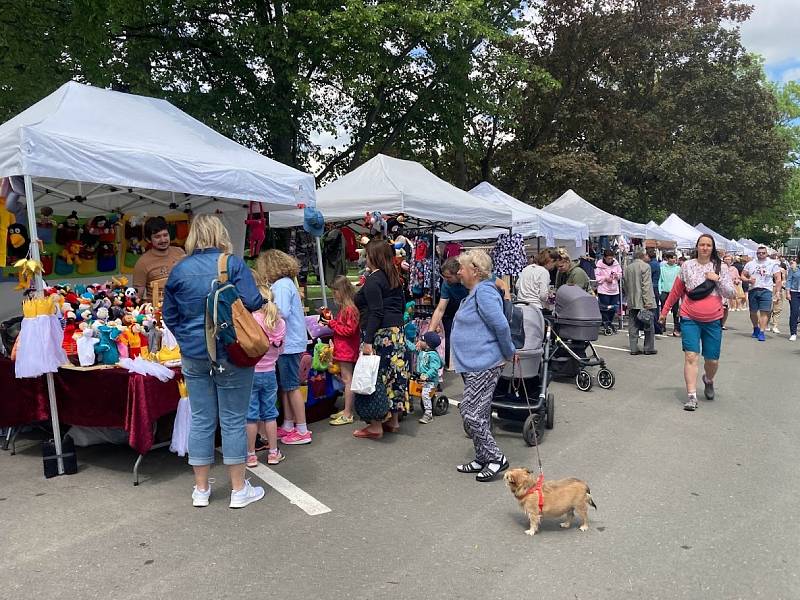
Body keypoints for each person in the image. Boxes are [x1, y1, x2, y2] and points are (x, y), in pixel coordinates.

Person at [162, 214, 265, 509]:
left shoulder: (179, 269)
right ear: (220, 233)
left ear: (194, 236)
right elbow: (254, 301)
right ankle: (237, 490)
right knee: (233, 420)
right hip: (229, 350)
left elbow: (169, 315)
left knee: (202, 420)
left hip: (194, 355)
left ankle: (201, 490)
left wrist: (187, 338)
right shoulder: (231, 264)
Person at [452, 250, 515, 483]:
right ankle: (482, 457)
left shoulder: (485, 292)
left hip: (484, 363)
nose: (459, 272)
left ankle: (496, 457)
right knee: (479, 412)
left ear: (475, 271)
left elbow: (501, 325)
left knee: (470, 412)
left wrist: (509, 352)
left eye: (462, 267)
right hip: (474, 363)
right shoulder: (476, 292)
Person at [659, 234, 736, 411]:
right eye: (702, 245)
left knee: (712, 360)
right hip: (689, 318)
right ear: (697, 247)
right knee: (691, 356)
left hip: (713, 320)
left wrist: (717, 279)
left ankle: (708, 380)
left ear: (712, 248)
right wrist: (664, 313)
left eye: (708, 245)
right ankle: (692, 396)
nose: (705, 248)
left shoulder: (720, 267)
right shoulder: (687, 266)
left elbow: (731, 293)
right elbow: (675, 291)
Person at [352, 239, 409, 439]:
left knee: (376, 377)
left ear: (374, 257)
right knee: (395, 376)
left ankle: (375, 426)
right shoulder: (394, 276)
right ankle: (393, 421)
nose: (365, 258)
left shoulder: (374, 280)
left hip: (380, 334)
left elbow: (376, 312)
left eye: (367, 254)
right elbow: (402, 306)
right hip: (397, 332)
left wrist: (367, 341)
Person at [256, 250, 312, 445]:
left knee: (291, 386)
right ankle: (289, 424)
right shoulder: (287, 283)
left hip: (289, 343)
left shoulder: (280, 286)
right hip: (291, 342)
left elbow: (281, 311)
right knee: (287, 386)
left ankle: (302, 428)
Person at [428, 258, 511, 369]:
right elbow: (440, 309)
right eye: (444, 277)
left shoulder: (479, 278)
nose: (446, 280)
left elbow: (503, 285)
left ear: (458, 273)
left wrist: (508, 306)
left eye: (448, 277)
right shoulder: (447, 285)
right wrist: (429, 333)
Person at [246, 283, 286, 467]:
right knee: (270, 413)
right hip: (270, 371)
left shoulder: (253, 319)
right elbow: (280, 349)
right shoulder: (280, 322)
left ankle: (250, 454)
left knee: (251, 415)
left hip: (252, 372)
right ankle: (272, 451)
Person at [323, 276, 361, 426]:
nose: (334, 295)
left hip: (347, 349)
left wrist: (332, 324)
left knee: (347, 380)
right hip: (344, 348)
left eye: (335, 292)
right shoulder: (347, 308)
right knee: (346, 379)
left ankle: (348, 412)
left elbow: (349, 330)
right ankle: (347, 409)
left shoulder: (349, 309)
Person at [133, 216, 186, 301]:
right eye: (157, 237)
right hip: (158, 309)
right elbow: (137, 295)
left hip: (182, 305)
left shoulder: (180, 252)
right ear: (148, 239)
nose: (163, 240)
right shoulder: (142, 262)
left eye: (165, 235)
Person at [741, 246, 781, 342]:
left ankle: (762, 332)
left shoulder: (772, 263)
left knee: (764, 311)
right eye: (759, 253)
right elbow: (742, 275)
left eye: (763, 253)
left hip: (766, 290)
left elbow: (778, 278)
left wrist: (778, 292)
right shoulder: (750, 264)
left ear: (766, 253)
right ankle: (756, 328)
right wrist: (748, 280)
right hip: (753, 289)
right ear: (756, 253)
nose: (761, 254)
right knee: (753, 312)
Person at [623, 250, 657, 356]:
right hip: (643, 300)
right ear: (643, 256)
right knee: (648, 324)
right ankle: (648, 348)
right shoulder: (645, 266)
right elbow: (646, 285)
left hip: (632, 299)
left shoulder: (628, 268)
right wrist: (648, 301)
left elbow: (625, 285)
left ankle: (633, 348)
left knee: (633, 324)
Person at [414, 331, 443, 425]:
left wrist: (427, 375)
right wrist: (405, 342)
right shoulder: (423, 351)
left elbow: (434, 368)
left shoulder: (433, 355)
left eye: (422, 340)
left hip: (430, 380)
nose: (419, 341)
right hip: (421, 378)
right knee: (412, 389)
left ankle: (428, 414)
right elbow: (413, 348)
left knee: (425, 394)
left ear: (427, 344)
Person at [594, 249, 622, 332]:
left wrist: (616, 275)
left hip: (614, 290)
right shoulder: (599, 264)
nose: (610, 260)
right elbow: (597, 277)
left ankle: (610, 322)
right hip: (604, 290)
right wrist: (605, 278)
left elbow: (620, 273)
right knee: (605, 308)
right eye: (608, 258)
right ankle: (605, 323)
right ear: (604, 258)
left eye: (611, 258)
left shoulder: (616, 263)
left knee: (613, 308)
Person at [658, 252, 681, 337]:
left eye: (675, 258)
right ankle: (662, 326)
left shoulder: (678, 268)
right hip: (664, 291)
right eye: (672, 258)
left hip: (675, 293)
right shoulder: (662, 268)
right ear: (667, 259)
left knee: (675, 311)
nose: (674, 260)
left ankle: (676, 327)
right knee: (664, 309)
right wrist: (660, 291)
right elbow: (660, 280)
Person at [720, 255, 742, 330]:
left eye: (729, 259)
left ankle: (722, 323)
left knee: (726, 308)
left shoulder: (734, 269)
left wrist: (737, 281)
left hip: (731, 287)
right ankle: (717, 322)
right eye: (726, 259)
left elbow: (738, 277)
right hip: (721, 289)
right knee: (720, 306)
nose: (727, 261)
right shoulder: (720, 267)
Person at [767, 253, 787, 334]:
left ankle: (775, 326)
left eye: (778, 259)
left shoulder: (782, 267)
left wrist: (783, 275)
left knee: (778, 308)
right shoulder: (768, 268)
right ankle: (766, 324)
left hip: (779, 288)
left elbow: (785, 280)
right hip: (770, 288)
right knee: (769, 308)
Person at [647, 249, 662, 330]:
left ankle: (655, 326)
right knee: (655, 307)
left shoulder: (651, 264)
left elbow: (647, 275)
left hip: (652, 286)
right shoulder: (657, 263)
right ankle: (657, 326)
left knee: (652, 307)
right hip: (655, 286)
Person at [786, 258, 800, 341]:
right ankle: (793, 333)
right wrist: (787, 292)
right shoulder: (794, 268)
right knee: (794, 312)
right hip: (795, 292)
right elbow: (789, 280)